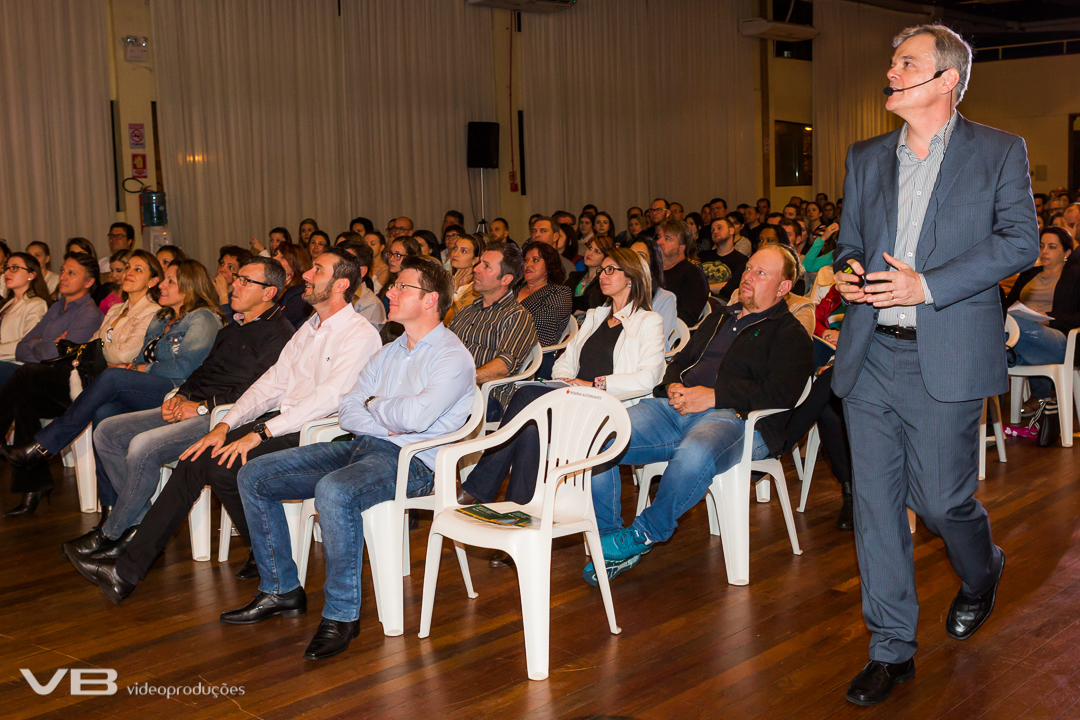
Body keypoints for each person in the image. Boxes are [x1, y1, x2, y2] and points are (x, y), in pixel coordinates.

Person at [830, 24, 1038, 707]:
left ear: (947, 79)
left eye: (906, 63)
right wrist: (851, 273)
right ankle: (891, 647)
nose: (891, 73)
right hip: (870, 355)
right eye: (891, 63)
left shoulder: (1000, 151)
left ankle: (981, 572)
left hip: (945, 351)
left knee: (942, 499)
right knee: (875, 507)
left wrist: (930, 284)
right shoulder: (866, 157)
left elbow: (1020, 241)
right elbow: (851, 244)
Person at [64, 247, 382, 603]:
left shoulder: (360, 334)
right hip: (283, 425)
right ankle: (128, 570)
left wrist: (259, 431)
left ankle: (267, 573)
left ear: (340, 284)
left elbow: (329, 398)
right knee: (200, 454)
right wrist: (225, 424)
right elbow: (271, 384)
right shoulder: (310, 327)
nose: (306, 275)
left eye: (317, 270)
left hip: (318, 435)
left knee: (222, 464)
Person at [220, 257, 475, 660]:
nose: (389, 292)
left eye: (401, 287)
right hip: (362, 446)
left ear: (430, 301)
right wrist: (380, 411)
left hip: (414, 463)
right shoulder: (391, 351)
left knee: (335, 490)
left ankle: (341, 615)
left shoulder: (452, 356)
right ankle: (281, 589)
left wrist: (376, 408)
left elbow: (416, 419)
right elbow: (349, 409)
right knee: (255, 473)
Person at [584, 246, 812, 585]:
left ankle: (643, 535)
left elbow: (783, 392)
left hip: (734, 419)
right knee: (599, 438)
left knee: (694, 452)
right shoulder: (720, 316)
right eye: (748, 269)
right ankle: (611, 541)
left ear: (783, 287)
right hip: (674, 409)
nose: (748, 276)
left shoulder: (789, 333)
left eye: (761, 273)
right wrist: (673, 384)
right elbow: (678, 359)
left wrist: (715, 396)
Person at [61, 257, 292, 572]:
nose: (234, 283)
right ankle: (139, 524)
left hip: (222, 419)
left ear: (269, 293)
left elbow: (256, 394)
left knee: (143, 447)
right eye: (237, 277)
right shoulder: (233, 327)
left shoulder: (278, 335)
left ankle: (113, 532)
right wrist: (179, 395)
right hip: (192, 406)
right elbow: (202, 371)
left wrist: (199, 406)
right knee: (108, 432)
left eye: (245, 281)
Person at [3, 260, 223, 516]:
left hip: (179, 391)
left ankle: (44, 445)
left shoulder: (203, 319)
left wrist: (140, 370)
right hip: (150, 386)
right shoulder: (162, 318)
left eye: (170, 281)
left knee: (112, 377)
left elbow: (186, 367)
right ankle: (111, 508)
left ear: (189, 287)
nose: (162, 285)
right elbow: (139, 357)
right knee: (103, 412)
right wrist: (138, 368)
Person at [459, 248, 665, 521]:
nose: (602, 275)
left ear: (632, 278)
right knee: (530, 420)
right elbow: (563, 361)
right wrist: (569, 380)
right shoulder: (595, 316)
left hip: (609, 406)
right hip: (574, 396)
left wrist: (594, 384)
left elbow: (648, 378)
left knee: (528, 402)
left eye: (611, 270)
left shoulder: (649, 321)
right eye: (602, 269)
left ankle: (482, 489)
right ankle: (517, 515)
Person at [0, 250, 162, 516]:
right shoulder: (116, 309)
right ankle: (34, 485)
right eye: (127, 268)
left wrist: (97, 351)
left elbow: (120, 353)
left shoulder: (151, 312)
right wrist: (88, 350)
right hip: (88, 378)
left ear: (153, 281)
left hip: (98, 383)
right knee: (24, 396)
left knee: (26, 375)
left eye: (138, 270)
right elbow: (86, 349)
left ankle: (109, 510)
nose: (128, 273)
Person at [448, 242, 537, 422]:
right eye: (479, 262)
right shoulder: (466, 311)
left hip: (487, 397)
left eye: (486, 266)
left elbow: (503, 366)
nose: (476, 269)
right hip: (452, 390)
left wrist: (457, 381)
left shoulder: (516, 316)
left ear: (505, 280)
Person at [2, 253, 102, 389]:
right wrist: (49, 344)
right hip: (37, 372)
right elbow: (20, 348)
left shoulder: (89, 313)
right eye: (62, 271)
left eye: (71, 273)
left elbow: (59, 357)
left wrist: (36, 343)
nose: (62, 277)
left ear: (88, 282)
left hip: (63, 381)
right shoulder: (57, 306)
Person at [1004, 226, 1079, 400]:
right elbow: (1007, 306)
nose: (1044, 251)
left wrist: (1048, 318)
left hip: (1059, 340)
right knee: (1000, 325)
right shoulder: (1028, 274)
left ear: (1067, 252)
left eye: (1052, 247)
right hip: (1023, 340)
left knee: (1010, 325)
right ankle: (1040, 401)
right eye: (1042, 245)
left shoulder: (1075, 276)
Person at [655, 219, 709, 326]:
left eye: (667, 239)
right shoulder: (651, 271)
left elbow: (687, 317)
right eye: (658, 237)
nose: (658, 242)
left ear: (681, 248)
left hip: (670, 333)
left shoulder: (693, 274)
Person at [0, 253, 50, 360]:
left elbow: (28, 342)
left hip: (14, 364)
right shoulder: (7, 304)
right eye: (6, 268)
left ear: (31, 275)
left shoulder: (36, 304)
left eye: (14, 268)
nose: (7, 272)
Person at [629, 237, 678, 343]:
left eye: (641, 256)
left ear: (652, 264)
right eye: (630, 255)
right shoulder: (618, 292)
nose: (634, 259)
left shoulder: (666, 299)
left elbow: (657, 340)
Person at [699, 217, 748, 302]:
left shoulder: (742, 260)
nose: (715, 232)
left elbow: (733, 286)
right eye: (712, 230)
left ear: (732, 231)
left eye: (719, 228)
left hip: (723, 303)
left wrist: (705, 287)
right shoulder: (702, 256)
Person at [566, 236, 615, 316]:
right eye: (590, 248)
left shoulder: (605, 282)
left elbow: (594, 305)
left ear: (606, 257)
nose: (590, 253)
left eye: (597, 251)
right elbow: (560, 302)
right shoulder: (574, 276)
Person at [273, 242, 313, 330]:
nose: (274, 258)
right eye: (275, 255)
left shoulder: (302, 291)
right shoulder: (273, 285)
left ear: (295, 263)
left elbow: (280, 321)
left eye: (282, 257)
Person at [444, 233, 483, 323]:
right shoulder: (446, 280)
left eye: (463, 251)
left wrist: (453, 292)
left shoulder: (477, 289)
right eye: (455, 248)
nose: (455, 254)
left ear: (475, 260)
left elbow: (459, 319)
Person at [213, 245, 252, 310]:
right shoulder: (209, 290)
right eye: (221, 263)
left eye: (231, 267)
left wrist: (223, 296)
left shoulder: (242, 299)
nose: (222, 269)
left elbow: (227, 319)